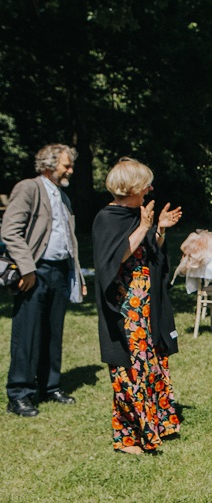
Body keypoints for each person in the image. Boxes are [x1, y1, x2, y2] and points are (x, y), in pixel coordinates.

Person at [91, 158, 182, 453]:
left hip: (147, 307)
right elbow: (115, 258)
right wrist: (144, 226)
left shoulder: (135, 215)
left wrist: (159, 230)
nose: (150, 189)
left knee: (153, 363)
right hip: (126, 311)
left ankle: (158, 423)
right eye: (146, 184)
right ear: (132, 187)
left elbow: (149, 253)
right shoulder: (107, 218)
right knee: (131, 368)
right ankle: (129, 436)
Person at [2, 144, 84, 418]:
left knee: (53, 331)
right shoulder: (29, 188)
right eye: (66, 165)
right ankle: (19, 394)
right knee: (27, 334)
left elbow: (69, 240)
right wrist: (27, 269)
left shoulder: (62, 195)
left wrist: (77, 276)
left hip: (60, 271)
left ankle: (50, 387)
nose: (70, 170)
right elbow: (10, 231)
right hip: (34, 271)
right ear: (49, 165)